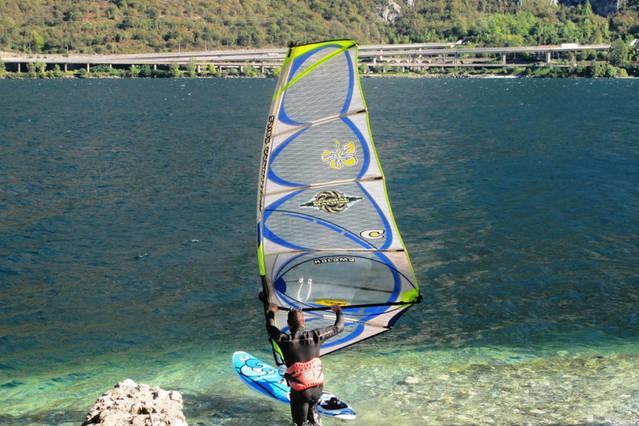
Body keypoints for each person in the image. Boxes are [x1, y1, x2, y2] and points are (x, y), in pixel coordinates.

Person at [266, 303, 344, 426]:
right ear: (304, 322)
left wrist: (271, 311)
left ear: (288, 323)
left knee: (300, 424)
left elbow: (270, 328)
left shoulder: (285, 340)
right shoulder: (316, 336)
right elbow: (339, 327)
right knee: (313, 415)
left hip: (300, 392)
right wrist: (338, 311)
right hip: (317, 388)